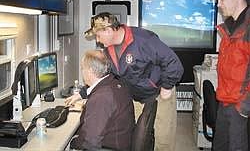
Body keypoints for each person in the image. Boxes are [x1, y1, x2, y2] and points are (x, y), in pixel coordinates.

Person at [84, 12, 184, 151]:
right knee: (137, 138)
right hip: (135, 96)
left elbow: (173, 62)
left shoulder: (143, 39)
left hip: (159, 93)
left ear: (108, 30)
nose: (98, 40)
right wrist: (84, 92)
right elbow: (104, 75)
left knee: (163, 140)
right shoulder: (108, 50)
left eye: (98, 35)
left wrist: (166, 87)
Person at [209, 0, 250, 151]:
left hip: (240, 106)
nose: (218, 5)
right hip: (224, 101)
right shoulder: (229, 27)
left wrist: (244, 106)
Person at [66, 50, 135, 150]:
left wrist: (72, 143)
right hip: (120, 141)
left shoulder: (101, 98)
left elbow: (90, 142)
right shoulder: (114, 83)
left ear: (90, 71)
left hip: (108, 147)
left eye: (82, 68)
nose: (82, 71)